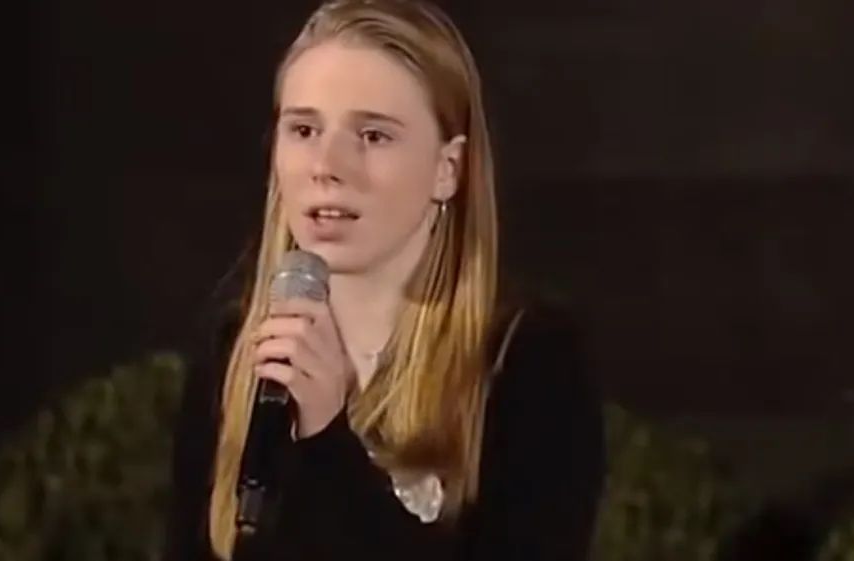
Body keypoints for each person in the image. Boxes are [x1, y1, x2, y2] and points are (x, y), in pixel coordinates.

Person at [164, 1, 606, 559]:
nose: (328, 165)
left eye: (373, 136)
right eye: (304, 129)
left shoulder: (527, 359)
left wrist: (328, 443)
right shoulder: (238, 347)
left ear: (447, 169)